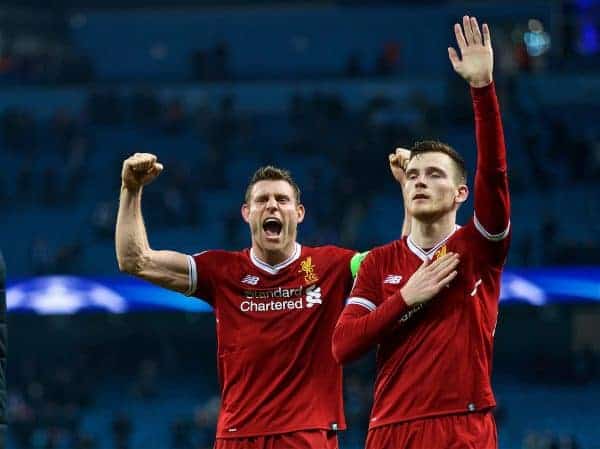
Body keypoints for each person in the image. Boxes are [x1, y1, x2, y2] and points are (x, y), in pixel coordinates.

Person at [115, 154, 409, 448]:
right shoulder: (221, 270)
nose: (272, 205)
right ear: (246, 213)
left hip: (307, 435)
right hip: (239, 436)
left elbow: (399, 267)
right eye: (262, 200)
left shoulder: (331, 265)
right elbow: (135, 260)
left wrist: (410, 192)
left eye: (282, 200)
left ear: (299, 212)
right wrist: (130, 188)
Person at [332, 16, 510, 449]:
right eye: (413, 175)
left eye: (434, 175)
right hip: (391, 428)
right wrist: (406, 297)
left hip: (462, 427)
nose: (420, 181)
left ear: (460, 194)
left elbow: (495, 174)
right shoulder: (380, 262)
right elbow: (342, 345)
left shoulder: (479, 246)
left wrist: (482, 89)